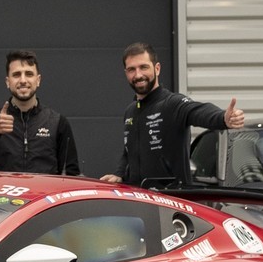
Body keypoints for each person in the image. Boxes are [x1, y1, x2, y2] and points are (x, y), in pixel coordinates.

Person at [99, 41, 246, 187]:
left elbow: (197, 110)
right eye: (131, 69)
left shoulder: (172, 104)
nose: (138, 75)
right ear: (126, 73)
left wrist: (222, 118)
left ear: (157, 68)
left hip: (171, 198)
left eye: (144, 67)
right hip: (138, 198)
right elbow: (129, 152)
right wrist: (119, 174)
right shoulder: (130, 111)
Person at [0, 50, 81, 175]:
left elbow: (71, 172)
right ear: (7, 82)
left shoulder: (57, 122)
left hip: (44, 188)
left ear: (38, 80)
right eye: (16, 75)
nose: (23, 80)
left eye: (29, 74)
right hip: (5, 188)